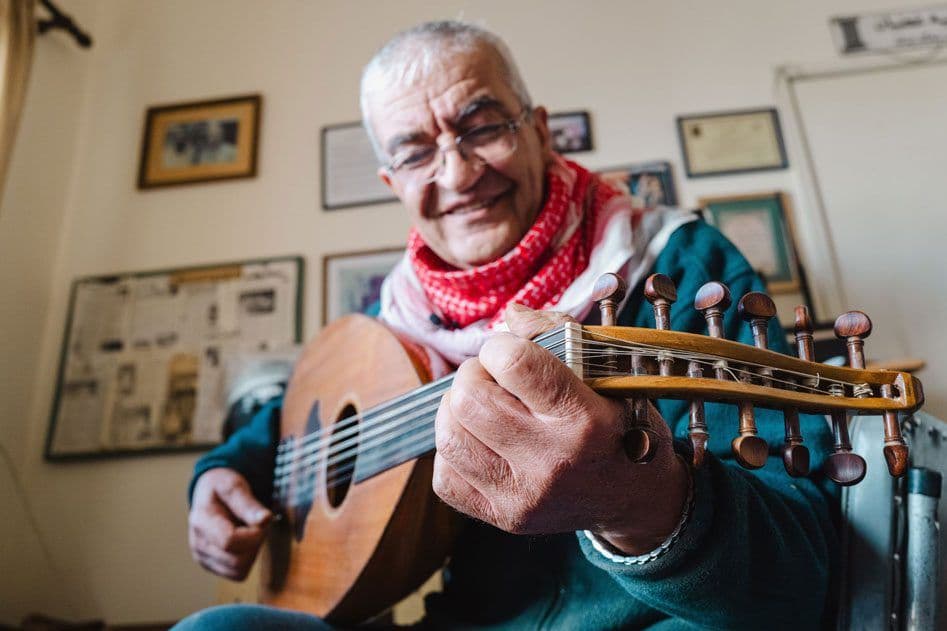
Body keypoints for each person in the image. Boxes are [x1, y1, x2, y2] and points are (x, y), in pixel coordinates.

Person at [176, 21, 837, 630]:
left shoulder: (680, 269)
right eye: (415, 154)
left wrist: (644, 504)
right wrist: (216, 476)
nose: (458, 173)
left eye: (482, 126)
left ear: (540, 130)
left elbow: (800, 563)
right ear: (391, 181)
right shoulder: (396, 322)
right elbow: (283, 428)